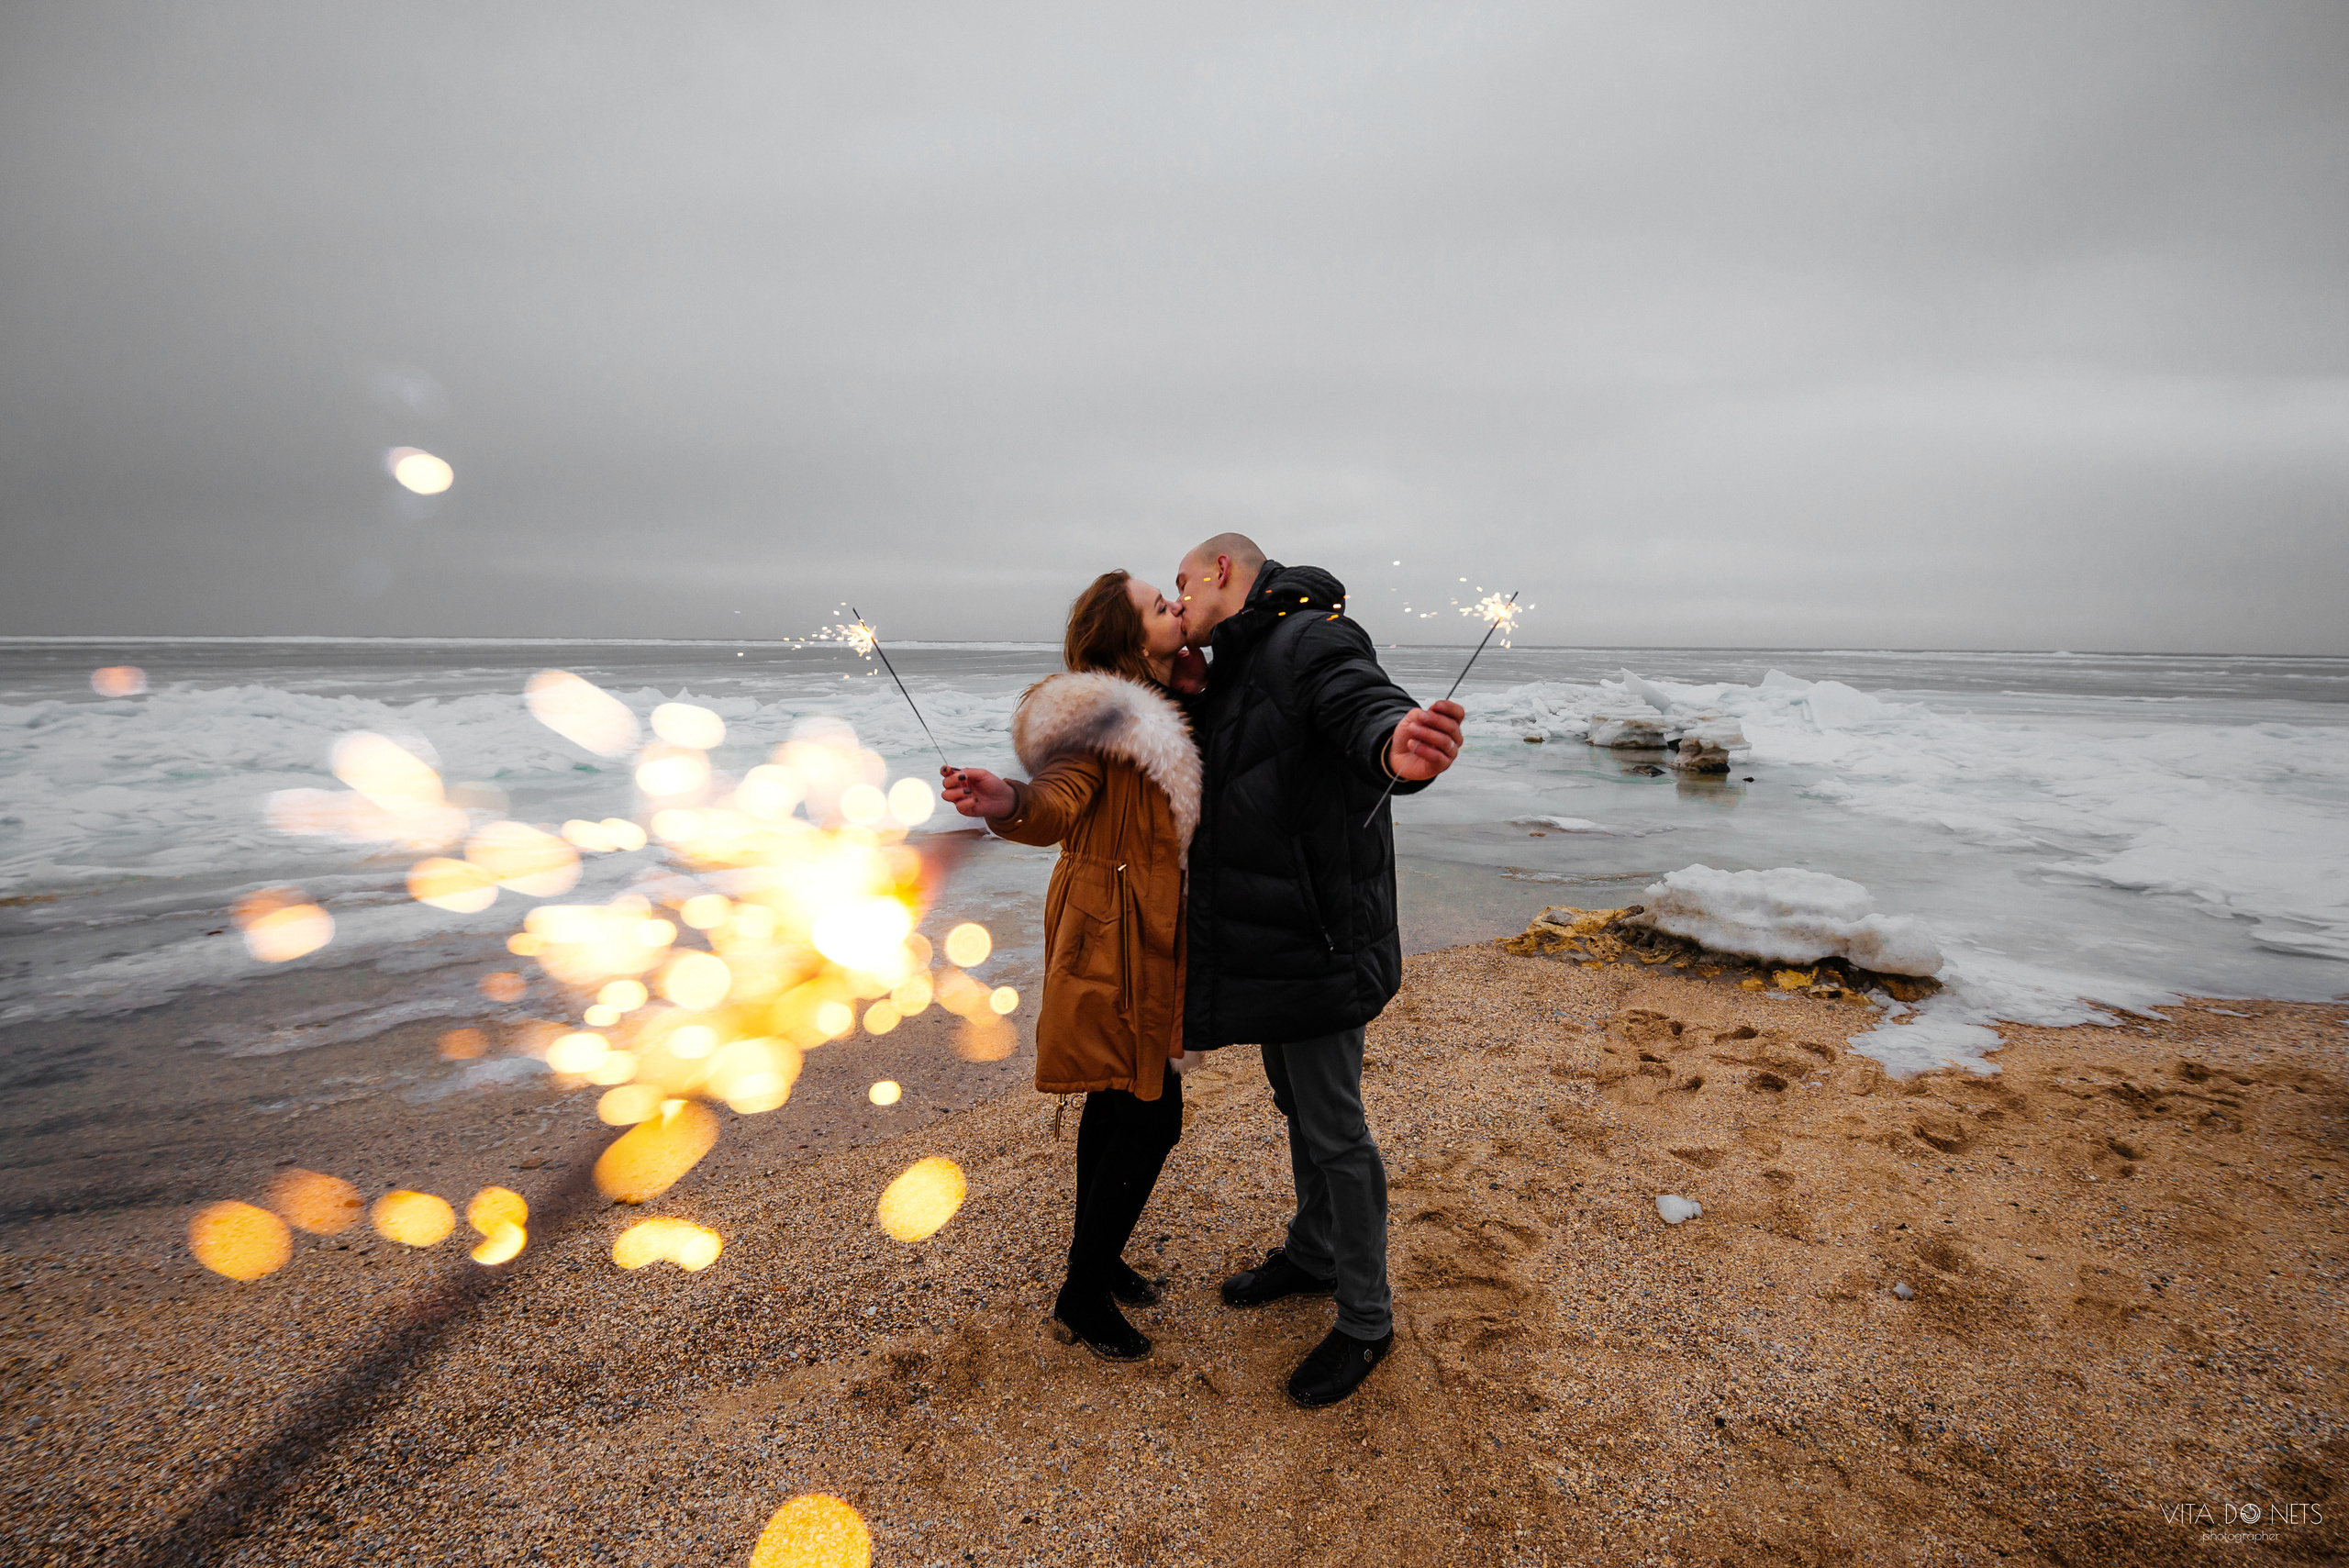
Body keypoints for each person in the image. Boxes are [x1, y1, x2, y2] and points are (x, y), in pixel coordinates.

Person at [1173, 531, 1464, 1407]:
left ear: (1222, 569)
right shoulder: (1240, 658)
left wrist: (1394, 745)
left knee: (1335, 1127)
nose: (1179, 596)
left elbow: (1360, 700)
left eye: (1182, 579)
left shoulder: (1312, 637)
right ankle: (1311, 1252)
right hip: (1276, 942)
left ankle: (1366, 1320)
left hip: (1322, 938)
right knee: (1297, 1102)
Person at [939, 571, 1200, 1362]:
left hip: (1143, 921)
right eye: (1161, 607)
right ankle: (1081, 1294)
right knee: (1153, 1111)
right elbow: (1059, 800)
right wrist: (1008, 800)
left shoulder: (1175, 700)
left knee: (1119, 1098)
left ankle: (1098, 1259)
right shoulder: (1100, 719)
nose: (1178, 609)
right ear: (1126, 639)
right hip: (1111, 925)